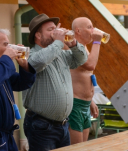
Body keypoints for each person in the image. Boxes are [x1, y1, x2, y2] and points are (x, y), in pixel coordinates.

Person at [22, 14, 88, 151]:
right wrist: (58, 41)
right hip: (41, 126)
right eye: (50, 29)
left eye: (55, 29)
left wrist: (73, 44)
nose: (55, 33)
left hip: (63, 125)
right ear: (38, 36)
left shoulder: (60, 54)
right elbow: (39, 62)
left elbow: (82, 59)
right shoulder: (31, 55)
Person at [69, 17, 103, 144]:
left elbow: (85, 76)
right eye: (89, 27)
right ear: (78, 31)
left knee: (84, 147)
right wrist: (97, 42)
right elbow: (90, 65)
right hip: (75, 104)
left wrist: (91, 101)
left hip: (85, 104)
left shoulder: (84, 47)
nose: (93, 30)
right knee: (77, 148)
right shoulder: (73, 47)